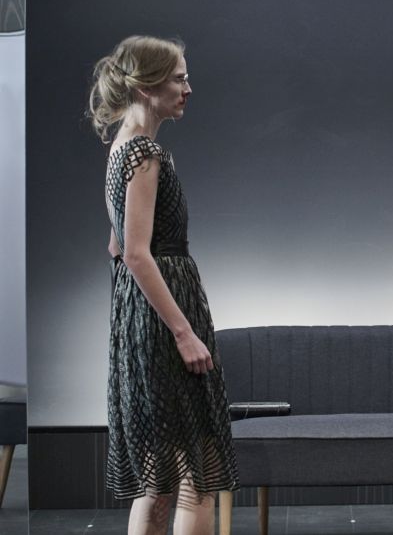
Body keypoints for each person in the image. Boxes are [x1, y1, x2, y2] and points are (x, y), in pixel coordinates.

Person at [88, 36, 238, 534]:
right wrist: (182, 331)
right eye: (179, 78)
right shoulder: (145, 154)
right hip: (164, 320)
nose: (188, 88)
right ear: (146, 86)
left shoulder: (121, 148)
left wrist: (134, 319)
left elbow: (115, 246)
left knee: (158, 482)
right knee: (199, 473)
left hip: (141, 318)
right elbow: (134, 252)